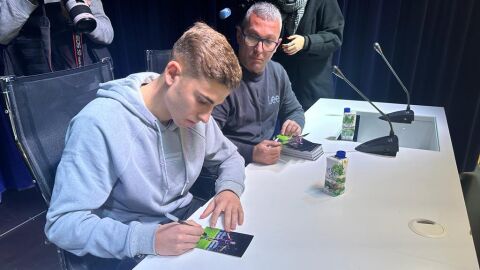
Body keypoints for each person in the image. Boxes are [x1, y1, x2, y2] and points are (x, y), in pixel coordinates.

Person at [44, 22, 245, 268]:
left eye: (214, 105)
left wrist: (229, 189)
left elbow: (230, 157)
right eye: (203, 101)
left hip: (184, 221)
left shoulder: (195, 116)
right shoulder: (98, 124)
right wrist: (145, 239)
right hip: (129, 242)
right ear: (172, 74)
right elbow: (62, 224)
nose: (206, 117)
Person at [212, 2, 305, 165]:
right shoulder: (221, 78)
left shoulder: (278, 72)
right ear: (240, 36)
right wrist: (251, 153)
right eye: (253, 37)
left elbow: (295, 110)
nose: (259, 49)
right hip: (227, 166)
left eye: (269, 41)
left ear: (277, 45)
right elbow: (208, 139)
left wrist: (295, 122)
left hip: (264, 165)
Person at [0, 0, 113, 75]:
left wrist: (83, 16)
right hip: (35, 87)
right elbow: (2, 35)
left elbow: (107, 35)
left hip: (86, 82)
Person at [273, 0, 344, 110]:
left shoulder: (324, 2)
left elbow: (335, 37)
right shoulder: (276, 3)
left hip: (312, 89)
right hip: (281, 85)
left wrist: (306, 42)